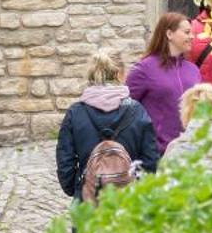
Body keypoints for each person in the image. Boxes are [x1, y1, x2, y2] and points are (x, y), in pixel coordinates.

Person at [56, 46, 159, 201]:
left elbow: (65, 161)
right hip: (128, 201)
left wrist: (78, 189)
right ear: (119, 74)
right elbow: (150, 160)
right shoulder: (137, 111)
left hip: (88, 200)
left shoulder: (75, 113)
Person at [126, 12, 200, 152]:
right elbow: (126, 109)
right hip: (155, 155)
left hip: (190, 153)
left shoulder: (193, 70)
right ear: (169, 34)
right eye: (187, 32)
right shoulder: (144, 69)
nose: (192, 36)